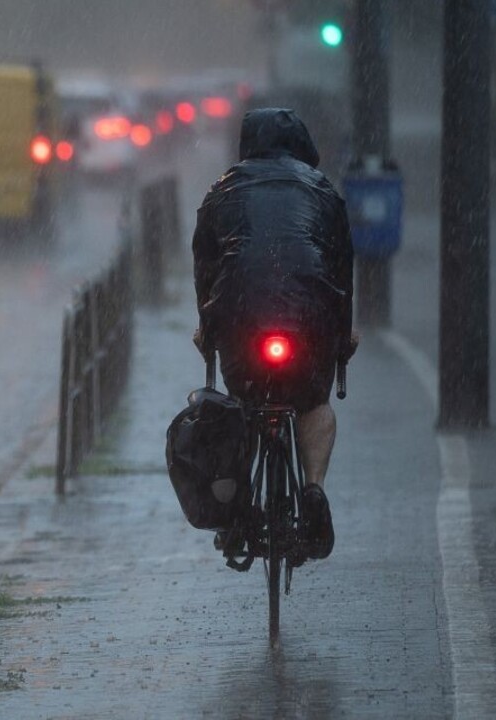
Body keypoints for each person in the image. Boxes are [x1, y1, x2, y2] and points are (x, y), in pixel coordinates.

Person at [191, 108, 356, 560]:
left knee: (243, 406)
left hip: (241, 315)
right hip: (309, 317)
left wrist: (208, 327)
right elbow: (342, 267)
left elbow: (205, 267)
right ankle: (314, 489)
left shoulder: (222, 190)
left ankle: (240, 508)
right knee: (312, 403)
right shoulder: (322, 191)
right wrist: (343, 333)